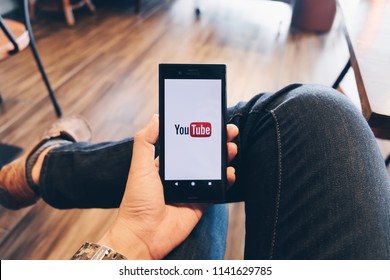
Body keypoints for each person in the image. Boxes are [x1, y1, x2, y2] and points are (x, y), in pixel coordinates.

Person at [1, 84, 390, 259]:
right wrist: (134, 239)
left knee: (202, 161)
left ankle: (44, 166)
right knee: (319, 116)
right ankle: (47, 165)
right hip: (141, 242)